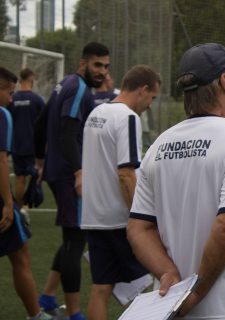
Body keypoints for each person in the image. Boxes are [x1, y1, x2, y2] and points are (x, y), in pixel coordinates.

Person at [127, 43, 225, 320]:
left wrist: (168, 274)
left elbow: (137, 229)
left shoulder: (158, 145)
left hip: (170, 305)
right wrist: (197, 292)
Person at [33, 42, 110, 320]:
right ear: (83, 63)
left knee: (71, 239)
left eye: (105, 66)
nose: (102, 71)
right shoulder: (78, 88)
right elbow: (67, 133)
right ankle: (75, 314)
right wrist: (79, 172)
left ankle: (47, 296)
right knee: (76, 243)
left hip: (58, 170)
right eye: (97, 65)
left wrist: (41, 161)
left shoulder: (63, 83)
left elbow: (41, 123)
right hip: (68, 175)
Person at [81, 65, 160, 320]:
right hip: (118, 219)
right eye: (153, 98)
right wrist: (141, 216)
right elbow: (126, 174)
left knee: (101, 288)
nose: (150, 105)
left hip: (93, 217)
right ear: (143, 89)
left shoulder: (96, 112)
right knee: (153, 284)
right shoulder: (127, 118)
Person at [0, 67, 52, 320]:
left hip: (19, 150)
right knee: (20, 255)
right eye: (8, 93)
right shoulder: (2, 115)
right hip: (1, 198)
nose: (11, 99)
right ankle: (36, 315)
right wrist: (9, 205)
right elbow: (0, 161)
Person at [7, 68, 45, 211]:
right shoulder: (37, 100)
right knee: (34, 178)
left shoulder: (12, 99)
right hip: (33, 146)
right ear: (32, 80)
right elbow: (43, 123)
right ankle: (25, 209)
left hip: (16, 145)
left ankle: (18, 208)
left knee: (20, 178)